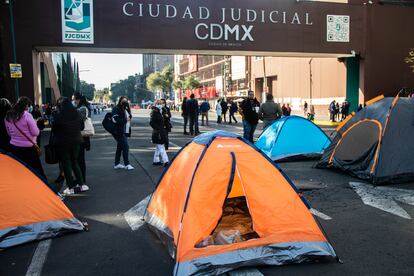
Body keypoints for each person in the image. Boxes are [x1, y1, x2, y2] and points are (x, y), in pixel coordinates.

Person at [52, 97, 88, 195]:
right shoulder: (77, 113)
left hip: (63, 142)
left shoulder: (59, 115)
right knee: (75, 162)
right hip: (76, 141)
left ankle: (71, 187)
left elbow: (54, 129)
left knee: (66, 164)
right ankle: (82, 184)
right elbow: (82, 127)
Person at [5, 97, 46, 178]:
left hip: (14, 148)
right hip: (28, 149)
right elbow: (36, 132)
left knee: (19, 171)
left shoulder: (8, 116)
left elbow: (9, 133)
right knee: (36, 172)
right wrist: (35, 123)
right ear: (26, 105)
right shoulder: (27, 115)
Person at [112, 96, 134, 170]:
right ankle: (127, 164)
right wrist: (125, 119)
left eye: (126, 101)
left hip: (125, 131)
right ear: (120, 101)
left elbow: (130, 117)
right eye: (123, 101)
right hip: (118, 131)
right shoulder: (116, 108)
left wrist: (128, 109)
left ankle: (117, 164)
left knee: (120, 147)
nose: (125, 102)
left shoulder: (125, 108)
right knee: (125, 147)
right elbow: (115, 120)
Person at [74, 94, 92, 183]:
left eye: (75, 99)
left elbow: (80, 120)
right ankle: (81, 179)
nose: (74, 101)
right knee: (80, 159)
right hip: (82, 136)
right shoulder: (84, 107)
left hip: (81, 136)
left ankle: (81, 179)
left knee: (80, 159)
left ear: (78, 100)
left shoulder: (82, 108)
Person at [150, 100, 169, 167]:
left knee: (159, 147)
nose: (160, 104)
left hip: (160, 131)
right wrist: (158, 129)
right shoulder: (154, 112)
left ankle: (156, 161)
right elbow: (151, 123)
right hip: (157, 132)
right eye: (158, 103)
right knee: (161, 146)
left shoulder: (161, 111)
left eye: (161, 103)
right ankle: (166, 161)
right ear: (155, 104)